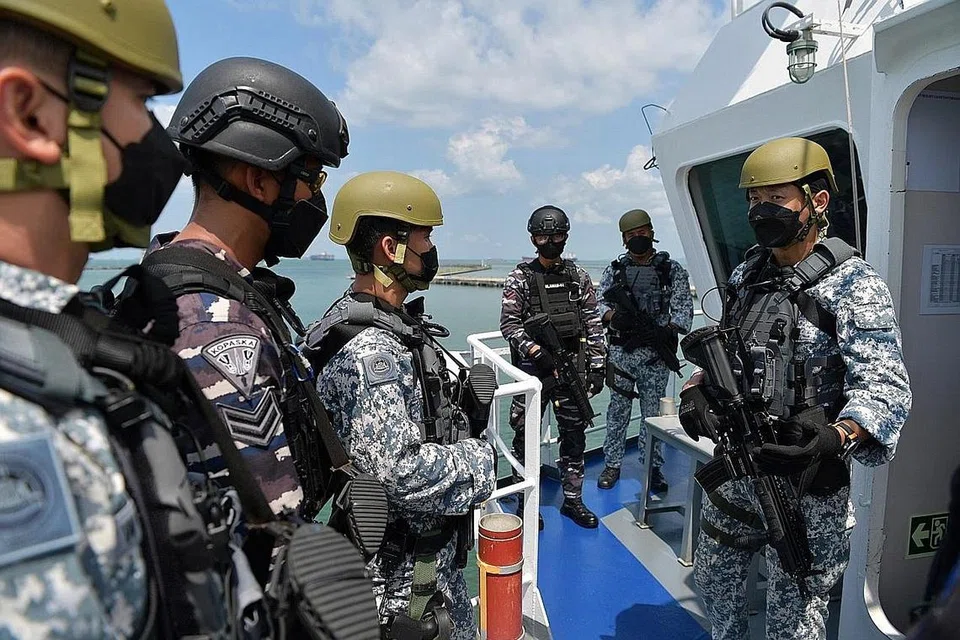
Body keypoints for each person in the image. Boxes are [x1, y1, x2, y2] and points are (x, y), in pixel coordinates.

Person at [0, 1, 229, 636]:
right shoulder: (17, 428)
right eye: (142, 102)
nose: (159, 140)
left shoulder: (62, 335)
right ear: (30, 114)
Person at [681, 137, 911, 639]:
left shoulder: (854, 285)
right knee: (714, 584)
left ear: (816, 201)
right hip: (740, 465)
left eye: (776, 198)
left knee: (796, 617)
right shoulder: (748, 272)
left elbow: (886, 387)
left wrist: (836, 436)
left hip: (807, 483)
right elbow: (732, 348)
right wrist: (697, 389)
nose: (761, 210)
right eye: (753, 199)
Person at [129, 56, 350, 519]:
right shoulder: (218, 326)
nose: (316, 198)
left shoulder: (166, 274)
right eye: (313, 179)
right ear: (260, 181)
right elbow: (272, 527)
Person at [305, 171, 497, 639]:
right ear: (390, 248)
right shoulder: (371, 352)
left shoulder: (388, 326)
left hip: (425, 566)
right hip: (401, 583)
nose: (431, 249)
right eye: (425, 237)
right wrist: (482, 460)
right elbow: (401, 473)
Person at [500, 205, 606, 529]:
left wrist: (598, 365)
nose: (549, 242)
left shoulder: (578, 277)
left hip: (570, 368)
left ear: (565, 237)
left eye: (556, 236)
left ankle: (573, 500)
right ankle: (525, 503)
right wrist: (536, 351)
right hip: (533, 373)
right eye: (543, 236)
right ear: (533, 239)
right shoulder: (520, 278)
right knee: (525, 439)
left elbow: (593, 323)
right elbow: (509, 324)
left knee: (574, 437)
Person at [596, 208, 693, 491]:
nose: (637, 238)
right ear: (624, 239)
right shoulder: (614, 271)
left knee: (653, 416)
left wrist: (666, 331)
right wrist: (615, 317)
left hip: (654, 358)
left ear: (651, 232)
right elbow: (598, 305)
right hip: (621, 355)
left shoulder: (671, 270)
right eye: (631, 235)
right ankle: (612, 464)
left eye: (642, 232)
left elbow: (684, 311)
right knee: (617, 412)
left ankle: (652, 467)